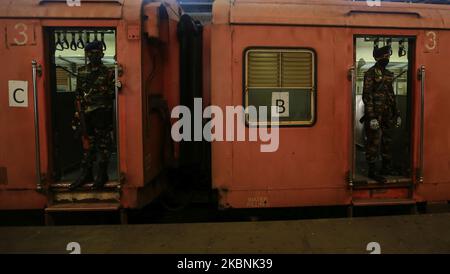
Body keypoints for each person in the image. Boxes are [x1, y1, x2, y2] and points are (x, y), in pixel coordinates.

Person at [69, 41, 115, 190]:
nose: (94, 56)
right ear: (87, 55)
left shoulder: (109, 72)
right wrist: (78, 116)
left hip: (102, 114)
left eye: (97, 53)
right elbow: (78, 94)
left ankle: (102, 175)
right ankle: (86, 174)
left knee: (103, 146)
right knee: (88, 146)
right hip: (86, 115)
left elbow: (114, 94)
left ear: (101, 54)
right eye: (91, 54)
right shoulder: (82, 71)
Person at [362, 45, 402, 182]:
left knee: (387, 141)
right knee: (374, 141)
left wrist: (396, 113)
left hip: (387, 113)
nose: (387, 59)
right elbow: (367, 96)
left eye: (388, 56)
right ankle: (372, 171)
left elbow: (391, 94)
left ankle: (386, 167)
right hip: (375, 114)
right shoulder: (370, 73)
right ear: (378, 57)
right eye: (385, 56)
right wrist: (372, 116)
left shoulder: (389, 74)